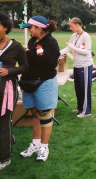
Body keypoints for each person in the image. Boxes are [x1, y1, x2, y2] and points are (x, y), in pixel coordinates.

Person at [19, 16, 60, 162]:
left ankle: (44, 147)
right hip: (29, 82)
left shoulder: (51, 42)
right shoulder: (32, 41)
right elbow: (32, 59)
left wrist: (28, 53)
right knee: (34, 113)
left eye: (30, 28)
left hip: (45, 82)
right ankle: (35, 144)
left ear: (39, 28)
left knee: (45, 114)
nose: (29, 30)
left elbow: (48, 63)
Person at [0, 12, 28, 170]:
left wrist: (9, 71)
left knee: (3, 121)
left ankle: (5, 157)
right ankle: (8, 140)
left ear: (5, 28)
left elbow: (25, 67)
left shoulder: (16, 46)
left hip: (7, 90)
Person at [60, 17, 93, 118]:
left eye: (71, 26)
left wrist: (72, 47)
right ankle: (80, 108)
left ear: (78, 25)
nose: (70, 28)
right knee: (78, 88)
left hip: (85, 65)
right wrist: (57, 53)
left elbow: (87, 52)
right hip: (76, 65)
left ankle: (86, 111)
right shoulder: (74, 36)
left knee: (85, 89)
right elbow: (68, 48)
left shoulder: (86, 36)